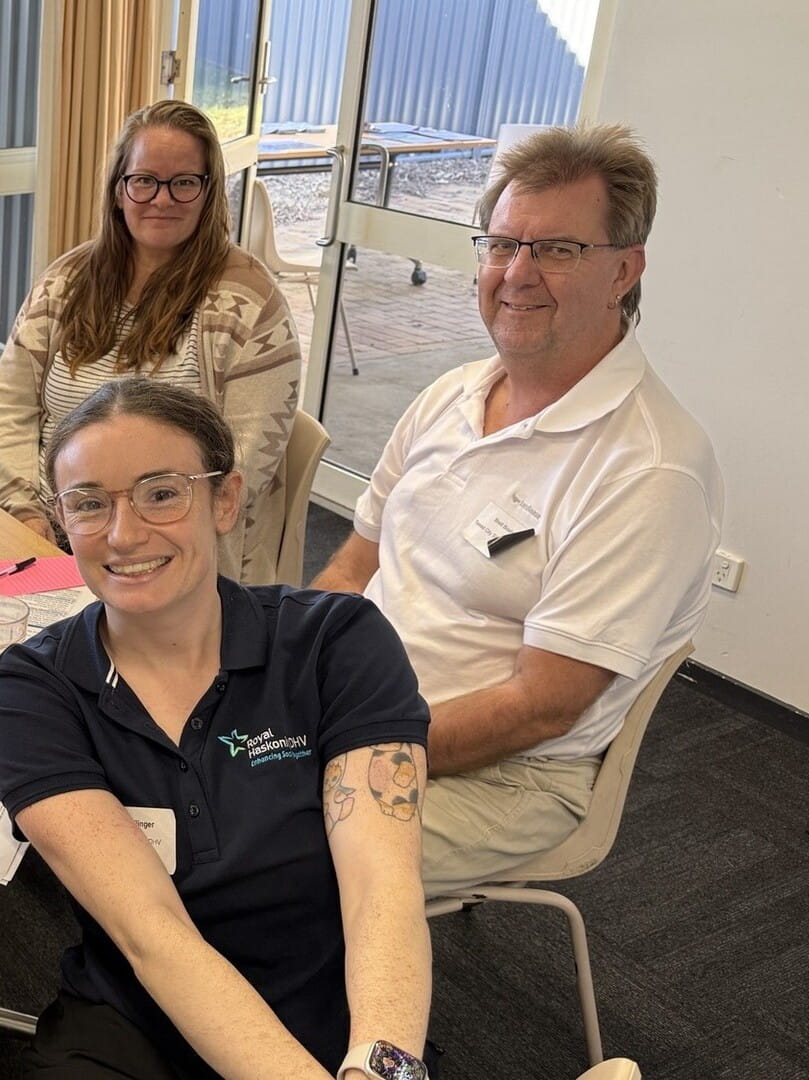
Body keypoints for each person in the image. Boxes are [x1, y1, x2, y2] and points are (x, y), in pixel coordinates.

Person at [311, 124, 725, 896]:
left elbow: (541, 709)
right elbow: (360, 557)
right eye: (502, 244)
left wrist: (344, 742)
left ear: (624, 272)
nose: (517, 273)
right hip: (357, 704)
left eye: (558, 250)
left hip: (503, 777)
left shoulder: (649, 469)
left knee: (248, 855)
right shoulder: (454, 391)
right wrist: (293, 666)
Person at [0, 378, 432, 1079]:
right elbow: (152, 933)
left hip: (328, 1010)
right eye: (90, 504)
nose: (124, 534)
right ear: (62, 521)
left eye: (162, 492)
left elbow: (383, 885)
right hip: (138, 1017)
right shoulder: (30, 694)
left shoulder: (336, 643)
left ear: (224, 500)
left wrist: (380, 1065)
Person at [0, 100, 300, 584]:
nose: (162, 199)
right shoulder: (65, 281)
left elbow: (240, 461)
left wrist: (122, 531)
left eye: (184, 183)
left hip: (166, 552)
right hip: (48, 533)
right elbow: (11, 407)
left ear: (208, 193)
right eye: (144, 180)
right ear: (118, 191)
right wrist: (27, 510)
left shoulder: (251, 302)